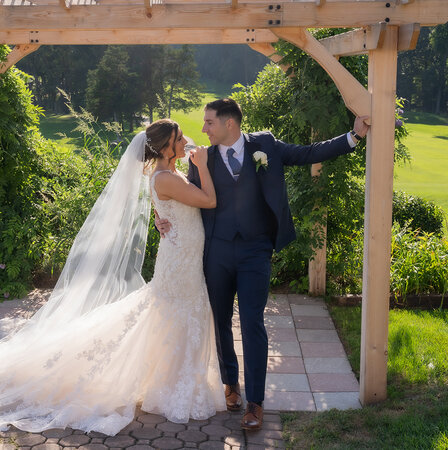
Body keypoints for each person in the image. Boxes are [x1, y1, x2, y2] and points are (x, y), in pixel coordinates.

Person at [0, 119, 225, 436]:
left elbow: (170, 205)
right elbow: (208, 200)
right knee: (171, 313)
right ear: (166, 147)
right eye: (179, 139)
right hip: (179, 262)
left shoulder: (169, 174)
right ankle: (168, 385)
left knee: (174, 316)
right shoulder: (166, 177)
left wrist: (162, 214)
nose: (186, 141)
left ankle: (169, 384)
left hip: (183, 257)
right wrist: (204, 167)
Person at [156, 98, 369, 430]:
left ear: (230, 124)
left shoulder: (265, 145)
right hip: (217, 251)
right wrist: (161, 217)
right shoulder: (203, 158)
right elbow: (183, 197)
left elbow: (308, 153)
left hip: (257, 250)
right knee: (221, 320)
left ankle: (255, 403)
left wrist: (352, 137)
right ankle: (230, 384)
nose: (203, 129)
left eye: (209, 122)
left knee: (253, 322)